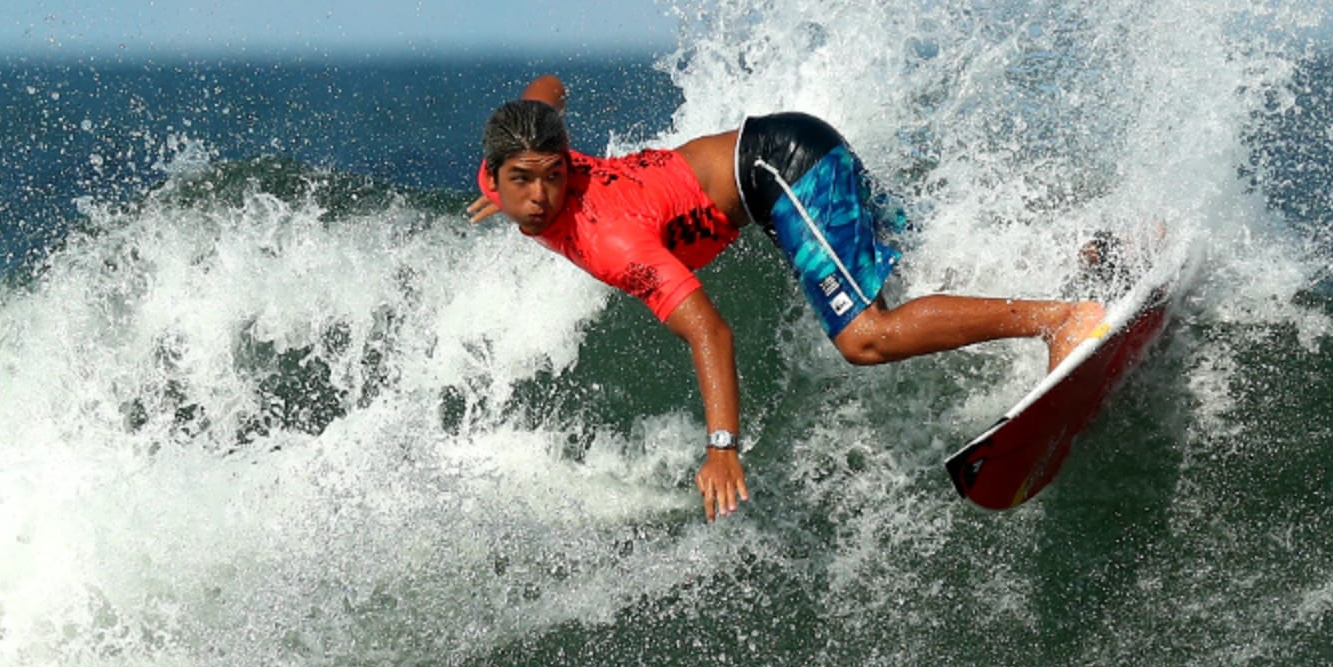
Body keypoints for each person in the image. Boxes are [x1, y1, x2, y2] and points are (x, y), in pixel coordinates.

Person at [467, 74, 1107, 523]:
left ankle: (1062, 322)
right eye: (520, 181)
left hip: (782, 171)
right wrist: (505, 194)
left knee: (865, 336)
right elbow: (544, 91)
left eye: (554, 176)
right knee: (924, 256)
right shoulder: (516, 162)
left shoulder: (611, 240)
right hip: (785, 154)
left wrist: (722, 447)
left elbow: (710, 332)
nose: (541, 197)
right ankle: (1091, 248)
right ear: (491, 174)